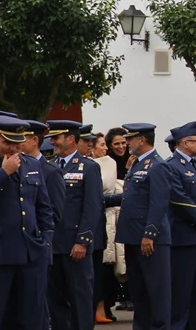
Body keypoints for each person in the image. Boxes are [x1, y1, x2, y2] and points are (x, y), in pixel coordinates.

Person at [0, 116, 55, 330]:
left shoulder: (32, 164)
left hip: (30, 253)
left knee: (29, 318)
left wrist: (46, 243)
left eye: (18, 143)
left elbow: (43, 207)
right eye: (8, 142)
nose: (13, 148)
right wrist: (3, 173)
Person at [106, 122, 172, 330]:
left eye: (130, 139)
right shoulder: (136, 164)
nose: (127, 143)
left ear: (142, 140)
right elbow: (130, 197)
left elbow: (158, 203)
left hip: (149, 239)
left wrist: (150, 234)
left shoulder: (158, 165)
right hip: (132, 236)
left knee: (157, 292)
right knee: (139, 293)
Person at [46, 120, 104, 330]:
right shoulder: (50, 166)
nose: (52, 142)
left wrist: (83, 241)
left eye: (56, 138)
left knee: (80, 300)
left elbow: (92, 207)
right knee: (56, 301)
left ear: (70, 139)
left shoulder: (88, 167)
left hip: (75, 247)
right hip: (53, 245)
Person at [163, 121, 196, 330]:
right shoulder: (171, 166)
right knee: (182, 286)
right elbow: (179, 199)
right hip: (184, 236)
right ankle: (179, 325)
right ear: (184, 143)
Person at [91, 130, 122, 324]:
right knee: (98, 266)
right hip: (97, 216)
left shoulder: (110, 163)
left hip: (110, 217)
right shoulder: (89, 164)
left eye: (105, 144)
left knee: (109, 265)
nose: (105, 148)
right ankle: (97, 306)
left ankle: (105, 306)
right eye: (101, 145)